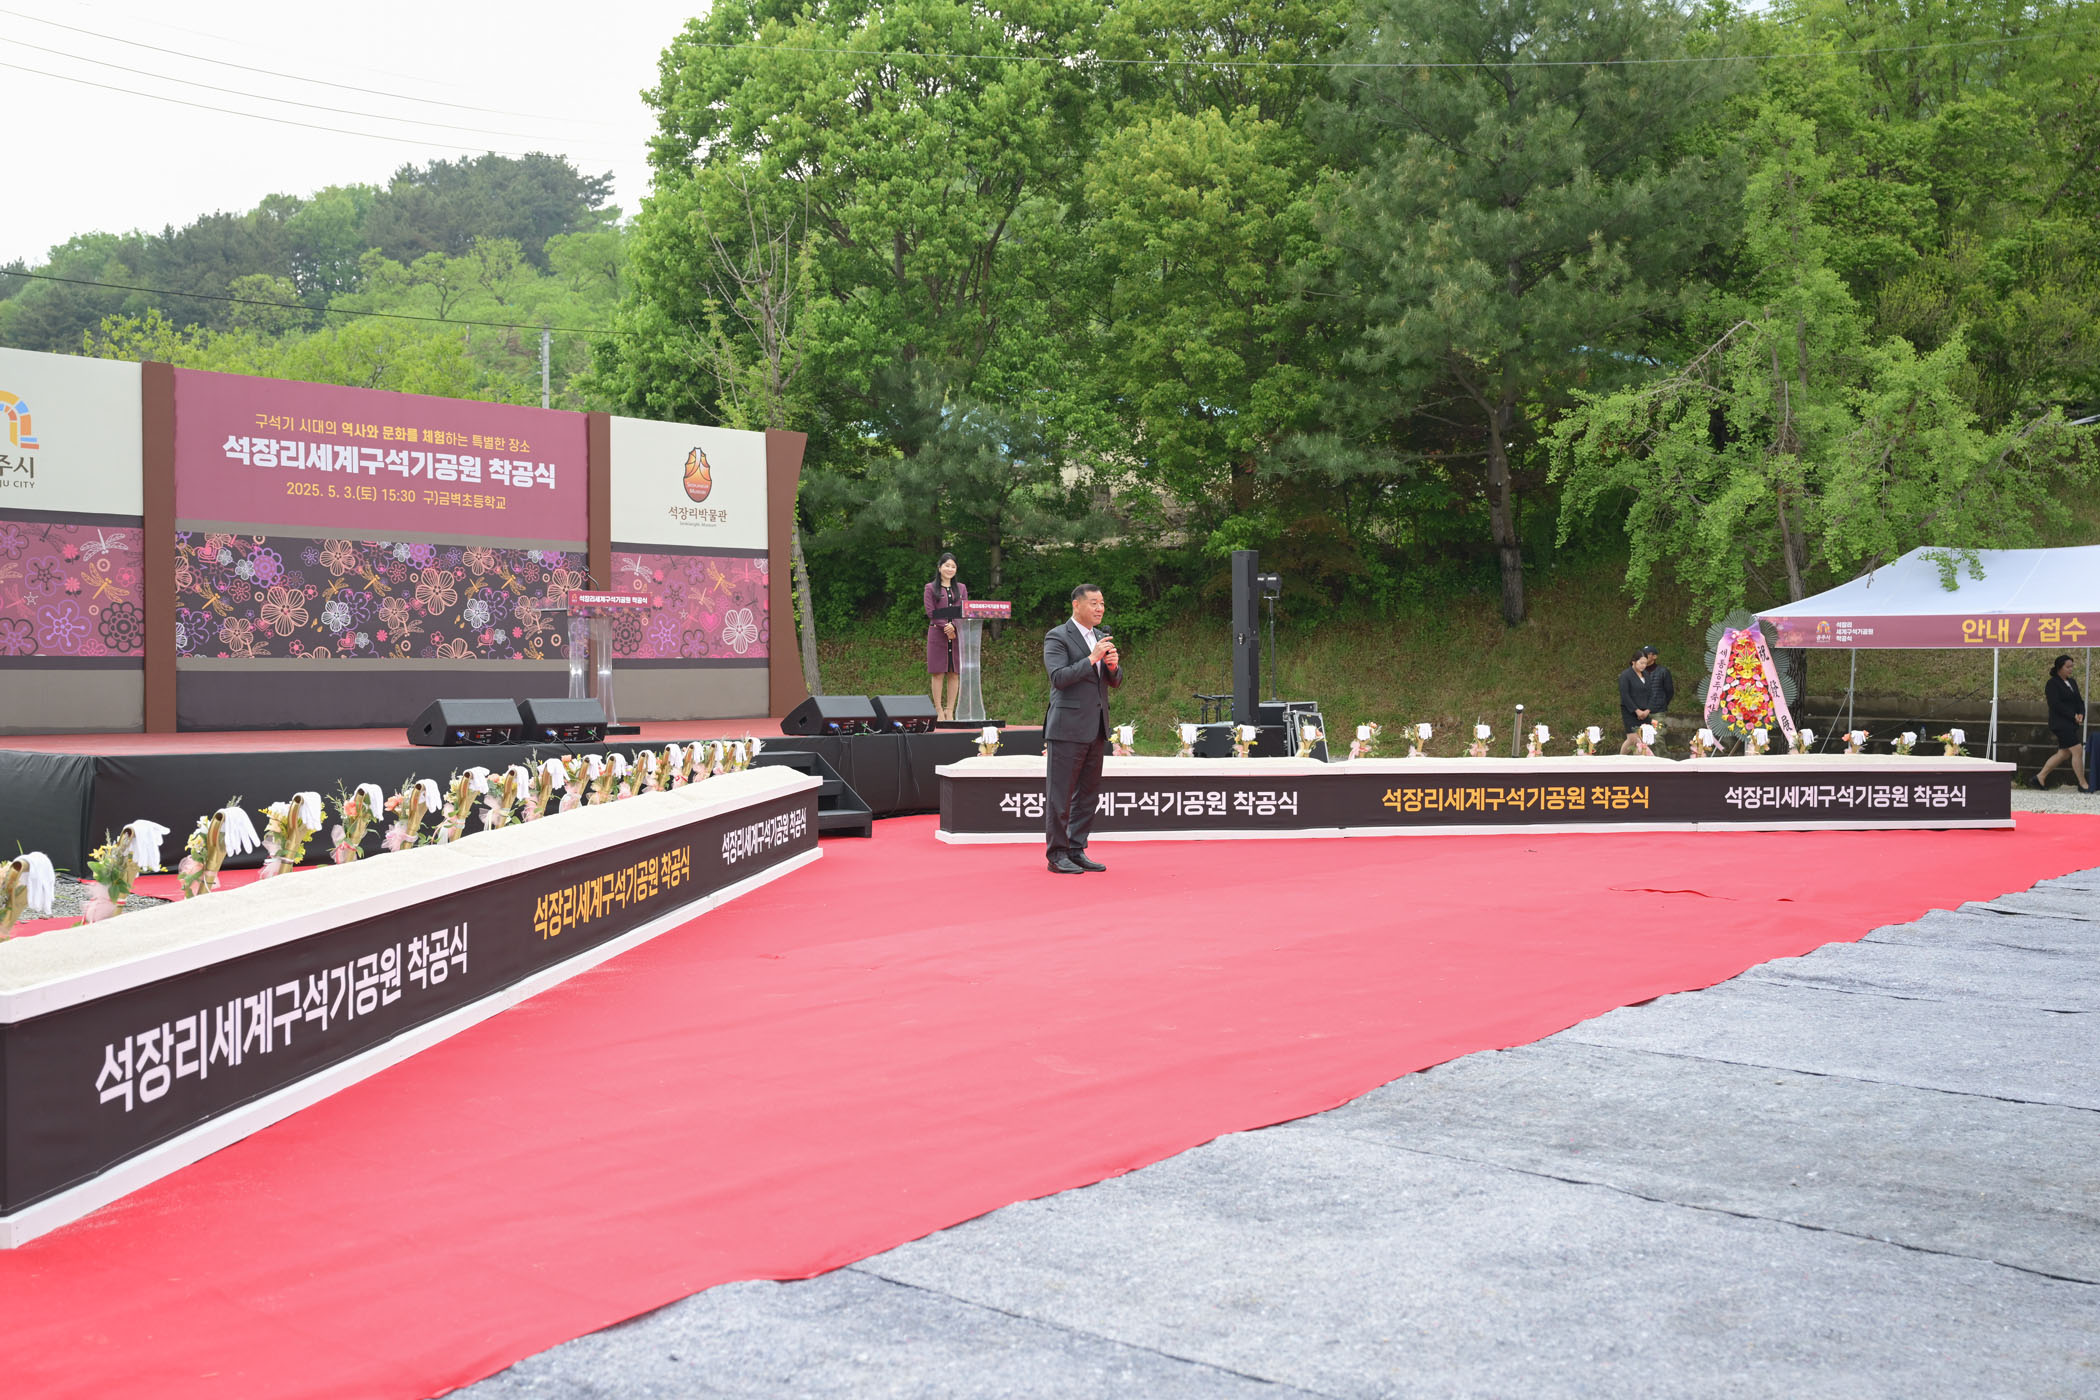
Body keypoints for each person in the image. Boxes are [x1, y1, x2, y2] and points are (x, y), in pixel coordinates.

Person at [1043, 583, 1121, 874]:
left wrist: (1112, 667)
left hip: (1096, 727)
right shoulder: (1058, 636)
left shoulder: (1100, 637)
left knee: (1088, 795)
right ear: (1076, 605)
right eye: (1094, 603)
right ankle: (1057, 854)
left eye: (1102, 603)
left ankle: (1077, 849)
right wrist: (1092, 659)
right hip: (1066, 728)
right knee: (1060, 795)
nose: (1100, 609)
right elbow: (1059, 678)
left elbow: (1114, 681)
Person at [923, 553, 968, 722]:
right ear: (939, 567)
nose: (950, 569)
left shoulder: (961, 588)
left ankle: (950, 711)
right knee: (938, 673)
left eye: (953, 566)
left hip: (956, 634)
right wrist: (945, 626)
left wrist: (954, 625)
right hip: (937, 634)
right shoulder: (930, 588)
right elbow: (931, 612)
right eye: (947, 565)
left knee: (954, 673)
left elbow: (964, 610)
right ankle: (938, 710)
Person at [2034, 653, 2089, 791]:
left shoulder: (2072, 682)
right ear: (2059, 668)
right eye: (2068, 667)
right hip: (2060, 723)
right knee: (2077, 749)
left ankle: (2040, 777)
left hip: (2071, 723)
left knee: (2064, 753)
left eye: (2072, 666)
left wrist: (2081, 713)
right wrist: (2072, 715)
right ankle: (2083, 784)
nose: (2071, 669)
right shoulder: (2052, 684)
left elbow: (2079, 701)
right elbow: (2055, 704)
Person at [1617, 648, 1654, 754]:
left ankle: (1640, 759)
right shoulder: (1625, 675)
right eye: (1641, 663)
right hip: (1630, 711)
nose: (1643, 665)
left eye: (1645, 663)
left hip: (1645, 711)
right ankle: (1621, 758)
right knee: (1633, 739)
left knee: (1643, 739)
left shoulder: (1646, 675)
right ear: (1633, 662)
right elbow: (1625, 695)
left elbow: (1651, 693)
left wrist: (1648, 710)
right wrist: (1636, 711)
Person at [1641, 645, 1676, 757]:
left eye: (1647, 654)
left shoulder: (1663, 672)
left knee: (1657, 736)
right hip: (1641, 712)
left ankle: (1664, 759)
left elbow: (1669, 691)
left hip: (1657, 712)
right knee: (1640, 737)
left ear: (1654, 656)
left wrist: (1662, 703)